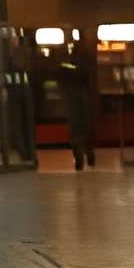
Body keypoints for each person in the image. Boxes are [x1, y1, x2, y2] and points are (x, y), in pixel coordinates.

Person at [54, 36, 98, 169]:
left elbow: (61, 73)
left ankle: (79, 157)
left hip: (72, 96)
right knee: (86, 126)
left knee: (75, 127)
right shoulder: (88, 61)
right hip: (84, 96)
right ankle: (89, 152)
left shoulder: (68, 62)